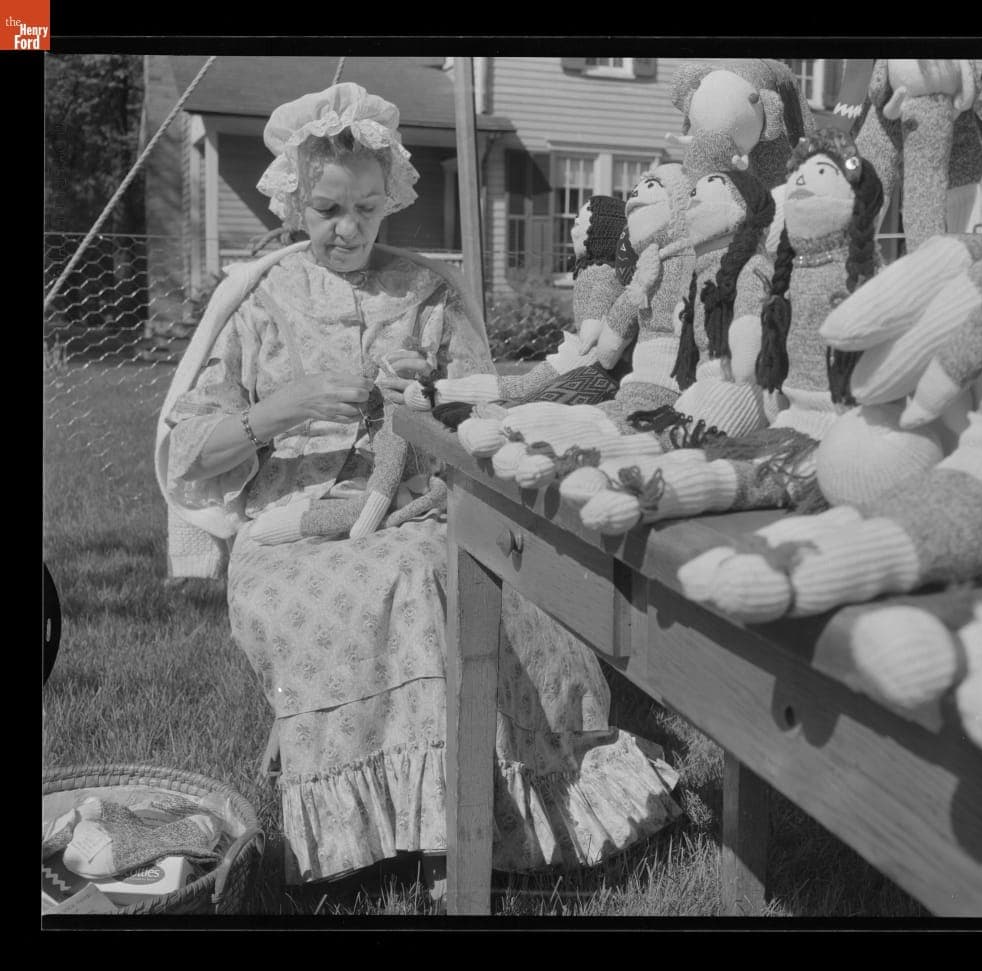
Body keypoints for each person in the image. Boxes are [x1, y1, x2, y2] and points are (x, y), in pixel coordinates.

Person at [157, 83, 681, 885]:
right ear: (297, 201)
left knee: (451, 572)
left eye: (367, 208)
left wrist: (427, 416)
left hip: (418, 507)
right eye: (330, 209)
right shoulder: (259, 301)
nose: (351, 228)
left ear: (389, 199)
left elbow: (486, 414)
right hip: (287, 530)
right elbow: (191, 452)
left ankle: (475, 816)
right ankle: (434, 822)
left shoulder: (426, 293)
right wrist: (281, 409)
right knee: (407, 579)